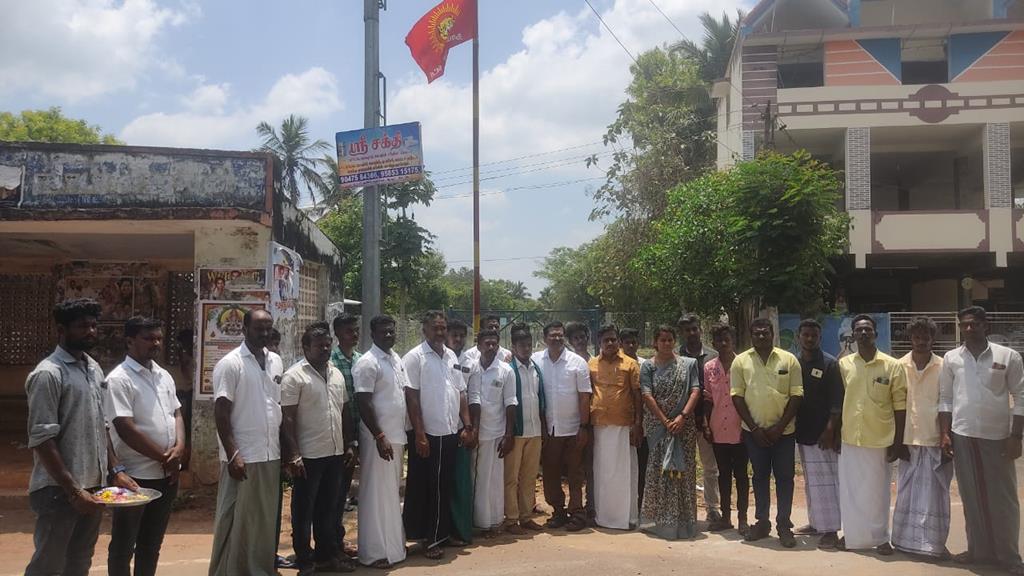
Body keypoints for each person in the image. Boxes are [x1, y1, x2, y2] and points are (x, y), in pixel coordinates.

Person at [25, 299, 138, 576]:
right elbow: (42, 439)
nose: (90, 331)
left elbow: (102, 425)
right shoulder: (48, 374)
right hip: (59, 491)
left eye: (93, 325)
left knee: (79, 562)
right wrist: (73, 491)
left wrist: (116, 470)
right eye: (82, 326)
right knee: (48, 566)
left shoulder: (93, 368)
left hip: (94, 489)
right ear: (61, 330)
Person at [940, 306, 1024, 574]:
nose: (969, 328)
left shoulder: (1007, 356)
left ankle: (1009, 557)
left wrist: (1016, 436)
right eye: (964, 324)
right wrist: (945, 433)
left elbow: (1021, 396)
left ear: (985, 325)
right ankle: (978, 551)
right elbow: (946, 399)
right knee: (971, 496)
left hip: (998, 436)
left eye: (974, 324)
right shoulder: (952, 358)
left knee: (1003, 498)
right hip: (963, 435)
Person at [106, 316, 185, 576]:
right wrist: (164, 456)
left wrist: (179, 449)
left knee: (151, 544)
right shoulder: (119, 379)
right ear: (130, 341)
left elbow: (177, 413)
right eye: (148, 338)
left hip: (167, 474)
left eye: (159, 338)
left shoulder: (163, 375)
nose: (156, 343)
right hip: (135, 476)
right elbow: (124, 427)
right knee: (123, 544)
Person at [208, 309, 284, 576]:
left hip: (270, 452)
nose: (264, 333)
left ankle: (259, 570)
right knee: (235, 517)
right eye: (258, 329)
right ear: (244, 329)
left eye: (268, 328)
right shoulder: (231, 364)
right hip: (243, 455)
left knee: (263, 520)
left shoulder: (275, 361)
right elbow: (221, 412)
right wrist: (233, 454)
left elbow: (276, 405)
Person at [281, 322, 357, 575]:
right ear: (306, 347)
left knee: (329, 508)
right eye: (319, 345)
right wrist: (293, 454)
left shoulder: (335, 374)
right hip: (308, 455)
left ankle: (326, 555)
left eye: (327, 345)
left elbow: (344, 410)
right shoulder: (294, 376)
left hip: (334, 453)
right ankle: (305, 560)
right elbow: (287, 418)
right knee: (304, 510)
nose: (325, 349)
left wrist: (349, 443)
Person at [403, 311, 474, 559]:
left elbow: (461, 392)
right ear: (424, 330)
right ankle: (428, 538)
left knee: (444, 486)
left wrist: (467, 425)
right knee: (424, 486)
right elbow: (412, 398)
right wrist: (420, 434)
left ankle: (440, 534)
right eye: (436, 328)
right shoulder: (415, 357)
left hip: (450, 432)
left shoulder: (451, 355)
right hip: (427, 434)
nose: (440, 333)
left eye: (443, 328)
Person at [836, 314, 906, 555]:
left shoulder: (892, 365)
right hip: (850, 437)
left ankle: (880, 538)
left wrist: (898, 442)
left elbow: (900, 405)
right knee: (851, 491)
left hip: (880, 437)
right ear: (853, 335)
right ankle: (853, 537)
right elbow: (838, 402)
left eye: (868, 329)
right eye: (859, 330)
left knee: (878, 492)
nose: (863, 333)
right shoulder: (844, 365)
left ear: (875, 333)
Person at [730, 317, 803, 548]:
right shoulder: (741, 361)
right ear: (751, 335)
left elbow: (797, 395)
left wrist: (779, 427)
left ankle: (784, 525)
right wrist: (754, 428)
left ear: (773, 334)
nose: (761, 336)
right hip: (754, 433)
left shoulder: (789, 360)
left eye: (765, 332)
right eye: (757, 333)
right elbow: (737, 396)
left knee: (784, 478)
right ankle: (762, 522)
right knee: (760, 477)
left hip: (784, 433)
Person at [892, 316, 951, 558]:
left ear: (932, 339)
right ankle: (903, 542)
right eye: (916, 337)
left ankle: (934, 545)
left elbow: (949, 402)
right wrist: (897, 441)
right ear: (911, 338)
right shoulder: (898, 366)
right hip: (908, 439)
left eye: (926, 337)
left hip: (935, 438)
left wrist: (946, 435)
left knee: (935, 495)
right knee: (907, 494)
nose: (921, 341)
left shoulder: (944, 366)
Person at [352, 315, 409, 569]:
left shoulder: (395, 359)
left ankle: (393, 548)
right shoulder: (367, 362)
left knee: (390, 494)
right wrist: (379, 436)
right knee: (375, 495)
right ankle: (374, 553)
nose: (388, 335)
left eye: (391, 331)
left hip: (395, 437)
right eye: (383, 332)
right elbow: (363, 403)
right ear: (372, 334)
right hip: (378, 440)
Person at [639, 325, 701, 540]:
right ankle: (661, 523)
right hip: (658, 428)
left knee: (684, 473)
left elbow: (695, 390)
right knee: (660, 473)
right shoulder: (648, 366)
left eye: (670, 340)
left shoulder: (688, 364)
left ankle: (685, 523)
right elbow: (646, 394)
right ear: (655, 342)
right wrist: (665, 421)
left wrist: (682, 416)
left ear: (675, 341)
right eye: (662, 340)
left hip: (683, 428)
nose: (666, 343)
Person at [533, 321, 592, 532]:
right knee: (551, 472)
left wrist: (583, 427)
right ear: (544, 338)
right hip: (549, 430)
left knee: (575, 473)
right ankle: (558, 511)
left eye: (560, 335)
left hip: (574, 428)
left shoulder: (577, 362)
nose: (557, 338)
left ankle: (577, 513)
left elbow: (584, 397)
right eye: (552, 335)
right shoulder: (536, 360)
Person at [792, 319, 843, 549]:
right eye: (806, 335)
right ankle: (816, 523)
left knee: (827, 483)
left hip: (824, 435)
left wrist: (830, 430)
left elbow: (836, 402)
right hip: (803, 432)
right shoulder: (794, 363)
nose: (810, 339)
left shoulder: (830, 364)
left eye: (814, 335)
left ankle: (830, 529)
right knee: (812, 482)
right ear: (799, 337)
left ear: (820, 338)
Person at [589, 325, 642, 530]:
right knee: (602, 472)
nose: (610, 343)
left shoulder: (630, 364)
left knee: (625, 473)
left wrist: (638, 424)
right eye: (606, 340)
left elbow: (637, 395)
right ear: (599, 343)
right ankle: (603, 517)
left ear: (618, 341)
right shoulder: (592, 364)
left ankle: (626, 518)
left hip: (624, 426)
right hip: (600, 426)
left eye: (613, 339)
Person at [468, 329, 518, 534]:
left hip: (497, 434)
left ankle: (494, 521)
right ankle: (477, 522)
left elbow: (511, 403)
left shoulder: (506, 371)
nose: (490, 347)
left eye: (494, 344)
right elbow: (471, 398)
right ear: (479, 345)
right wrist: (473, 430)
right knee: (477, 479)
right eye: (487, 343)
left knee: (494, 479)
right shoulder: (471, 367)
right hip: (476, 434)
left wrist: (508, 435)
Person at [703, 323, 748, 535]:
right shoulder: (709, 368)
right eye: (719, 340)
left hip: (740, 429)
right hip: (718, 428)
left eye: (726, 339)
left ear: (733, 341)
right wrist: (706, 425)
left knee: (741, 475)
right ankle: (726, 517)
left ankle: (743, 518)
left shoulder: (744, 365)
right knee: (723, 474)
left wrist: (749, 425)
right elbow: (708, 398)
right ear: (713, 343)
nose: (723, 343)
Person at [678, 313, 722, 525]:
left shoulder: (714, 356)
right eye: (687, 330)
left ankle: (713, 509)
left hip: (708, 421)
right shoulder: (676, 356)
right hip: (683, 421)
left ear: (700, 330)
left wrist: (708, 421)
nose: (692, 333)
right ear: (682, 333)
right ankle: (686, 510)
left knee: (710, 467)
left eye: (694, 329)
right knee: (684, 467)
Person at [503, 324, 546, 534]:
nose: (526, 349)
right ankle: (511, 519)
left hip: (535, 430)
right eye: (522, 345)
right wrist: (509, 432)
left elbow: (541, 399)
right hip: (517, 432)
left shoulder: (536, 368)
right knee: (511, 477)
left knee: (529, 477)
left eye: (529, 345)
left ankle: (526, 516)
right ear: (514, 347)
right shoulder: (508, 369)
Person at [330, 313, 361, 558]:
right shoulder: (331, 361)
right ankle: (332, 543)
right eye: (349, 331)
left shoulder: (361, 360)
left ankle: (337, 540)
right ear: (338, 334)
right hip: (337, 436)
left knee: (343, 491)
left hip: (358, 434)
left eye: (356, 330)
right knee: (334, 492)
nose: (354, 334)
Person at [444, 317, 476, 545]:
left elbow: (471, 395)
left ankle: (461, 531)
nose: (458, 339)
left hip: (461, 429)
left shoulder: (470, 361)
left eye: (461, 335)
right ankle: (442, 531)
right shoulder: (441, 358)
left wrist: (469, 427)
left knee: (461, 482)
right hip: (439, 429)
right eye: (454, 335)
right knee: (443, 481)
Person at [565, 320, 596, 521]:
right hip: (571, 423)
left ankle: (592, 505)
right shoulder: (567, 363)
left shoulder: (595, 362)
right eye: (575, 338)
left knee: (592, 466)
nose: (580, 341)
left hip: (593, 422)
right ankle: (574, 508)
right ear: (570, 341)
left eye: (583, 337)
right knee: (574, 468)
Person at [620, 327, 649, 512]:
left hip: (643, 424)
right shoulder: (617, 364)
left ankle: (640, 507)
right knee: (624, 467)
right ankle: (624, 507)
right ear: (621, 344)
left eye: (634, 342)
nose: (631, 345)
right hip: (621, 423)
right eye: (627, 342)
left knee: (642, 466)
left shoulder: (646, 365)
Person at [175, 328, 194, 470]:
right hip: (184, 394)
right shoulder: (184, 357)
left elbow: (188, 375)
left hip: (190, 394)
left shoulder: (191, 358)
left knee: (187, 428)